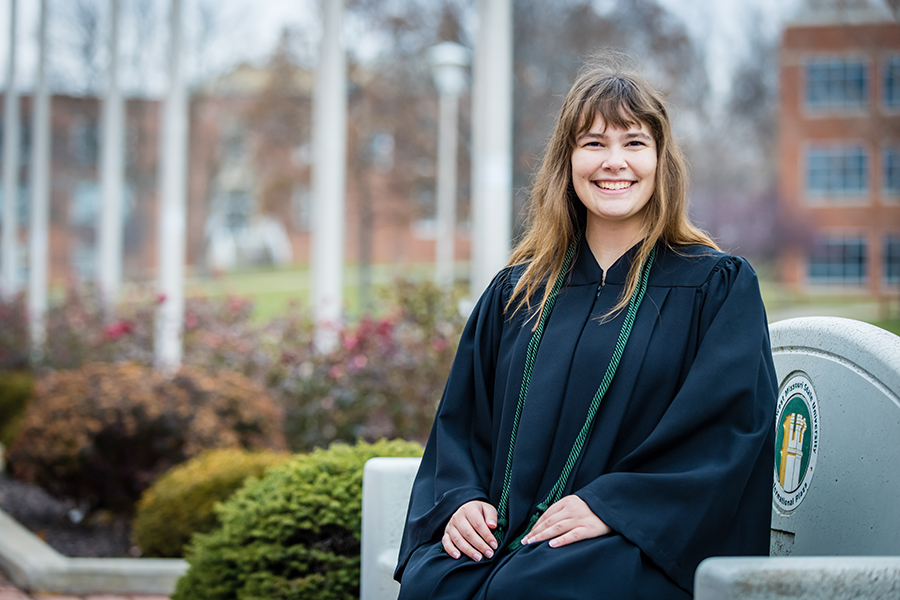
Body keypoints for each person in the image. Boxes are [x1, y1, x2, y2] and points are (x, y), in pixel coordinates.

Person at [395, 53, 777, 599]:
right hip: (506, 534)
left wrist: (613, 506)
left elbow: (727, 433)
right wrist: (460, 501)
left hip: (636, 537)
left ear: (661, 161)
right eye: (593, 143)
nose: (613, 161)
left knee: (531, 589)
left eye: (634, 142)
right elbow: (461, 423)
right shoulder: (516, 293)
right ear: (567, 162)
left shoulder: (714, 288)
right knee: (436, 580)